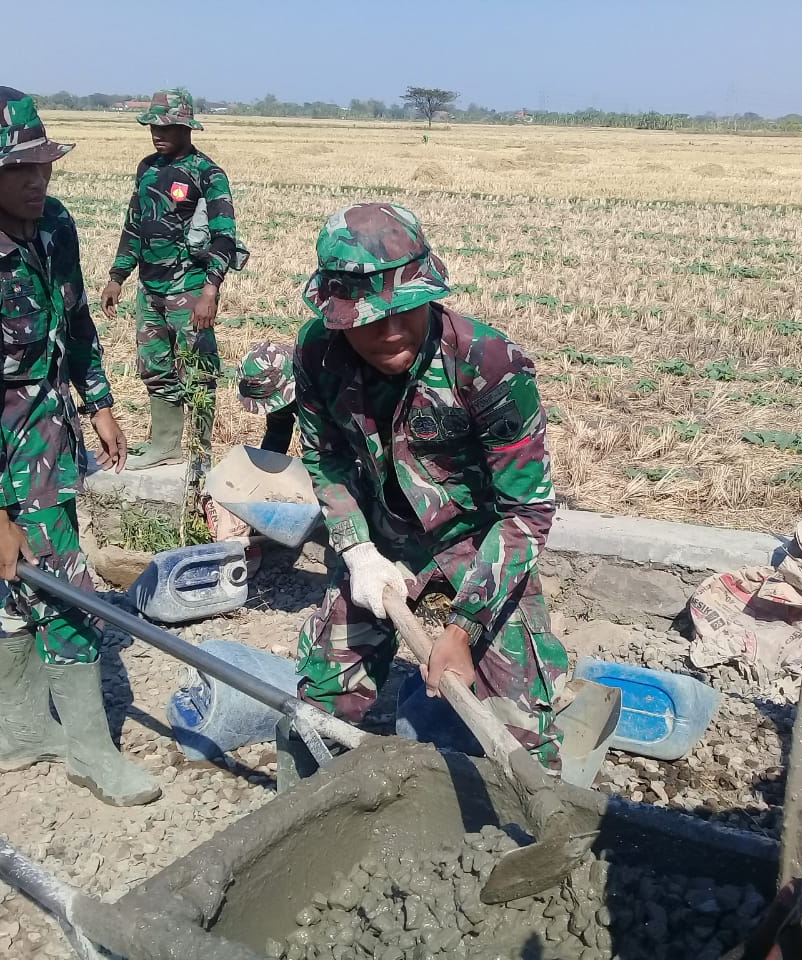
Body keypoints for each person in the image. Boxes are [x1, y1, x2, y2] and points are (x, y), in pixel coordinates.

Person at [0, 84, 159, 806]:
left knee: (24, 586)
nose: (34, 182)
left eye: (41, 165)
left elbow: (79, 320)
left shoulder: (54, 226)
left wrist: (100, 402)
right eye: (13, 170)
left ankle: (20, 733)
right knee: (68, 595)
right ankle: (92, 752)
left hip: (57, 429)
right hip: (8, 452)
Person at [292, 202, 569, 768]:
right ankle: (314, 813)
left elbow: (526, 515)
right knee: (318, 701)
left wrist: (463, 629)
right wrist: (358, 549)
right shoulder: (318, 354)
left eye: (408, 310)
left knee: (521, 735)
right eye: (369, 318)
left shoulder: (488, 364)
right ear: (338, 311)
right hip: (384, 543)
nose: (392, 333)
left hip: (480, 545)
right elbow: (326, 460)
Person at [100, 89, 248, 473]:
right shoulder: (147, 168)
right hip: (150, 291)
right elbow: (134, 226)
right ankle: (165, 446)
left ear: (186, 127)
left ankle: (200, 455)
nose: (156, 132)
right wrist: (118, 276)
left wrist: (210, 290)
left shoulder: (207, 174)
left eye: (165, 125)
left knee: (198, 372)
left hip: (190, 291)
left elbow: (224, 238)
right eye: (152, 125)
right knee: (155, 368)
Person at [237, 341, 297, 454]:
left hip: (319, 399)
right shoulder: (268, 372)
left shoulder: (317, 383)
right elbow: (277, 432)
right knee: (278, 427)